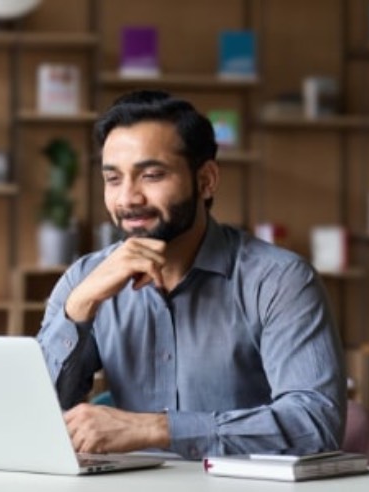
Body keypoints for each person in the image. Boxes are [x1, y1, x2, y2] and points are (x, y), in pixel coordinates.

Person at [36, 90, 346, 460]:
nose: (128, 198)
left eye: (151, 175)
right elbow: (33, 419)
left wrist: (157, 428)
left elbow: (316, 424)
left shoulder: (279, 280)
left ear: (206, 180)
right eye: (113, 179)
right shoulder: (85, 279)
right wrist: (80, 308)